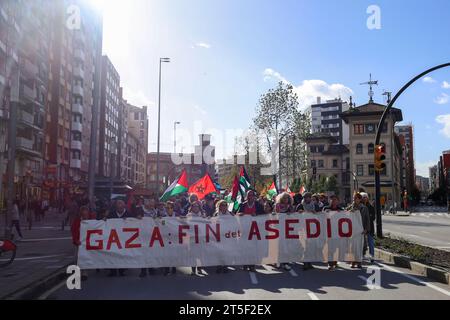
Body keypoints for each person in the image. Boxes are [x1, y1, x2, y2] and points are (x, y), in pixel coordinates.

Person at [238, 190, 264, 272]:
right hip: (245, 229)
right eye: (249, 195)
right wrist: (240, 214)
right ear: (247, 196)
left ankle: (252, 265)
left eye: (252, 195)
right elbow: (237, 214)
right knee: (245, 247)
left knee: (253, 247)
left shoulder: (258, 205)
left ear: (254, 196)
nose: (250, 197)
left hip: (255, 229)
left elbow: (263, 215)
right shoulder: (242, 205)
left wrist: (256, 214)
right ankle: (245, 264)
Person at [108, 200, 133, 277]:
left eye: (121, 204)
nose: (120, 206)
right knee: (113, 254)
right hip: (113, 238)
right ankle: (113, 270)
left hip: (124, 238)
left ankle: (122, 270)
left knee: (122, 254)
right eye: (118, 204)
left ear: (124, 205)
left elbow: (134, 223)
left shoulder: (129, 214)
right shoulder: (111, 214)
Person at [71, 206, 96, 280]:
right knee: (77, 258)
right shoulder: (77, 221)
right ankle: (77, 272)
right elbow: (74, 231)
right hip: (80, 243)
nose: (85, 215)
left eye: (86, 214)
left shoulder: (92, 221)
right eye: (83, 214)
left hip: (89, 242)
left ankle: (84, 273)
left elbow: (98, 227)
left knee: (86, 257)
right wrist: (76, 240)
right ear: (81, 214)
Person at [346, 193, 370, 269]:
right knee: (352, 247)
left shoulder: (364, 208)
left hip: (361, 230)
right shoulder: (350, 207)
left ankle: (359, 262)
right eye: (353, 198)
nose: (354, 199)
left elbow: (367, 219)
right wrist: (350, 211)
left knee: (360, 246)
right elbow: (344, 214)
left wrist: (366, 229)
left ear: (359, 199)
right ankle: (353, 262)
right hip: (352, 230)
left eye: (355, 198)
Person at [322, 195, 343, 271]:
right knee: (330, 248)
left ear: (338, 201)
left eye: (335, 199)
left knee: (336, 248)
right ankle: (330, 264)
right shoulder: (326, 208)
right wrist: (325, 213)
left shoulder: (340, 209)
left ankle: (334, 262)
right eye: (332, 200)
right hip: (328, 232)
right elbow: (321, 217)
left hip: (337, 232)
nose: (333, 201)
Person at [274, 192, 293, 271]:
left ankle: (285, 263)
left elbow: (294, 215)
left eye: (287, 198)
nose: (286, 199)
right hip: (278, 228)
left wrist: (291, 213)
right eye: (285, 198)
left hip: (287, 229)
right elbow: (276, 215)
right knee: (279, 245)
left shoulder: (290, 206)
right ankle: (277, 261)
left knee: (287, 246)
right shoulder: (277, 205)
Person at [214, 200, 233, 273]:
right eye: (222, 205)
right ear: (219, 206)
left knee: (226, 251)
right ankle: (219, 266)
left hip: (227, 235)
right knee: (219, 251)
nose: (224, 206)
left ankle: (225, 266)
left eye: (225, 205)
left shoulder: (230, 214)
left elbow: (234, 222)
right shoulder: (216, 214)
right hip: (218, 235)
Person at [361, 193, 376, 263]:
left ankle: (371, 255)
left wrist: (367, 218)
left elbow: (373, 217)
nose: (364, 198)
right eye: (363, 197)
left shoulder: (371, 207)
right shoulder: (359, 207)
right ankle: (362, 254)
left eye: (365, 197)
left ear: (367, 198)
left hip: (370, 227)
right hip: (361, 227)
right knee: (362, 242)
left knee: (371, 242)